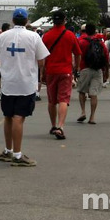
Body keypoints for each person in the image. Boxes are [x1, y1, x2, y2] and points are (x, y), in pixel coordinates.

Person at [0, 8, 49, 167]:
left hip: (8, 83)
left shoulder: (3, 36)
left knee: (8, 116)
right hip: (25, 83)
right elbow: (41, 60)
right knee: (19, 117)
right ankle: (17, 155)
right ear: (26, 21)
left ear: (12, 20)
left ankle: (7, 150)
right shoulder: (33, 36)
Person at [41, 9, 81, 140]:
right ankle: (60, 126)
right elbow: (78, 53)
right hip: (65, 70)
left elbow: (42, 57)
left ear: (53, 21)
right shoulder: (70, 35)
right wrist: (76, 67)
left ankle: (53, 125)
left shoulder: (46, 36)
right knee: (63, 99)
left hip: (51, 70)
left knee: (52, 100)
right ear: (64, 20)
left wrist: (42, 72)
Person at [76, 24, 108, 125]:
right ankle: (92, 116)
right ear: (95, 31)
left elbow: (77, 55)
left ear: (84, 31)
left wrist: (75, 69)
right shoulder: (100, 42)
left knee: (82, 91)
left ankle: (83, 111)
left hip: (85, 68)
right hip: (97, 69)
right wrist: (105, 71)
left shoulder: (81, 42)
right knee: (93, 94)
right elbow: (106, 57)